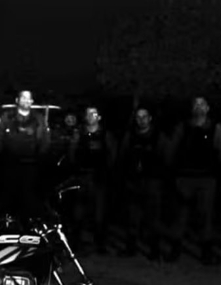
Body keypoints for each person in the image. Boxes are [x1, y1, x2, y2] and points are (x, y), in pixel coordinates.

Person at [165, 96, 221, 265]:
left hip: (206, 178)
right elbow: (171, 149)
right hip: (185, 177)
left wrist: (217, 173)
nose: (199, 107)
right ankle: (175, 248)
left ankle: (206, 250)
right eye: (196, 104)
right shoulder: (183, 127)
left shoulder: (216, 128)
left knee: (205, 215)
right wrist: (174, 174)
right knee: (180, 214)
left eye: (202, 104)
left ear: (208, 108)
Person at [117, 107, 169, 260]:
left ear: (150, 118)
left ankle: (154, 249)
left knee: (153, 217)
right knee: (133, 216)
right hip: (133, 181)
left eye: (144, 116)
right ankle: (131, 247)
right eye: (138, 117)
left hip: (152, 181)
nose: (141, 120)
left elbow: (166, 157)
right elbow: (122, 156)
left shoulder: (158, 136)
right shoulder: (130, 136)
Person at [0, 90, 51, 218]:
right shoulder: (7, 117)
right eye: (23, 97)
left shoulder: (38, 119)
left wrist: (40, 161)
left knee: (28, 199)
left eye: (29, 98)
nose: (26, 101)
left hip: (30, 166)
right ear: (17, 100)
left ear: (32, 101)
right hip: (9, 165)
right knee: (6, 198)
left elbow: (45, 141)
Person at [66, 105, 116, 254]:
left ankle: (100, 243)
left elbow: (112, 154)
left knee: (99, 212)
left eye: (94, 114)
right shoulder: (79, 134)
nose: (90, 116)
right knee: (79, 212)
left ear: (99, 117)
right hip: (82, 176)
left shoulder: (105, 134)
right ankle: (77, 243)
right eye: (88, 114)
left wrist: (107, 172)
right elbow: (72, 152)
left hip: (99, 177)